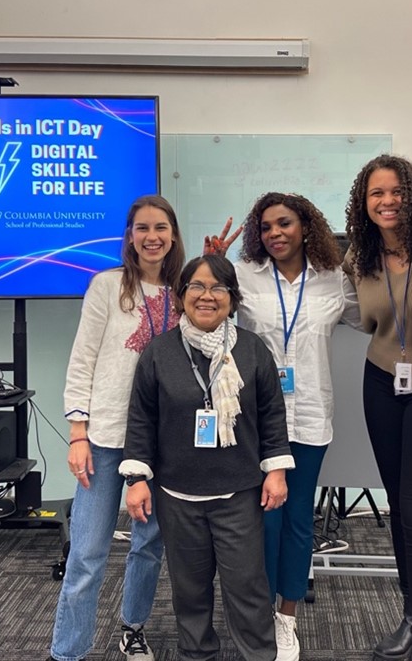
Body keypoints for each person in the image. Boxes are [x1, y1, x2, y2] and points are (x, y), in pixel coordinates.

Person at [121, 254, 295, 661]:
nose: (207, 296)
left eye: (218, 288)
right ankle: (196, 653)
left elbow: (272, 415)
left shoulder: (252, 351)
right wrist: (137, 479)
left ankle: (259, 654)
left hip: (239, 492)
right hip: (178, 495)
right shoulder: (159, 352)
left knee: (248, 589)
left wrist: (277, 471)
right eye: (196, 287)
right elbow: (142, 418)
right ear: (181, 297)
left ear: (232, 300)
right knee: (189, 590)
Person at [47, 194, 185, 661]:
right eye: (142, 228)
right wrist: (77, 434)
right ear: (129, 236)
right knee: (87, 553)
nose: (152, 237)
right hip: (106, 438)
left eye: (160, 228)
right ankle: (68, 651)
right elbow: (82, 359)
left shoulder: (184, 292)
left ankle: (133, 628)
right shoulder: (107, 286)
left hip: (164, 442)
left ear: (173, 235)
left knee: (148, 547)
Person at [230, 192, 360, 661]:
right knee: (263, 518)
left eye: (284, 223)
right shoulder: (244, 275)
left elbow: (367, 319)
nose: (275, 234)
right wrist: (205, 265)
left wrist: (377, 278)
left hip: (309, 414)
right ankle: (259, 611)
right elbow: (206, 313)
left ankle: (288, 617)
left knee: (298, 518)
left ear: (306, 226)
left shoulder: (334, 279)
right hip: (256, 417)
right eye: (265, 227)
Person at [342, 154, 412, 661]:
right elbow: (358, 319)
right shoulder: (358, 259)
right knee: (401, 505)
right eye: (376, 193)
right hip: (380, 381)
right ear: (364, 203)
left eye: (396, 191)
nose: (387, 202)